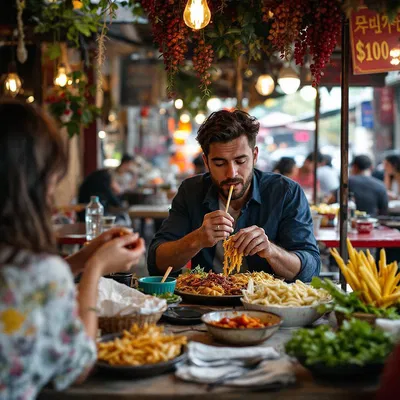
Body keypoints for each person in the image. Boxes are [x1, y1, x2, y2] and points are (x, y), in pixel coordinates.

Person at [0, 99, 146, 399]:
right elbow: (79, 365)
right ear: (31, 181)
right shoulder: (40, 272)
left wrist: (83, 258)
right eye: (53, 174)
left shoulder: (27, 268)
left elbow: (23, 291)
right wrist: (95, 270)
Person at [148, 110, 320, 282]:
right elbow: (157, 264)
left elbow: (311, 269)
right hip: (207, 300)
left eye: (240, 161)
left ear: (254, 156)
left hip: (267, 303)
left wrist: (270, 251)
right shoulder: (191, 191)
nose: (232, 173)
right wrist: (197, 239)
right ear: (206, 162)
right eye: (219, 163)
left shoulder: (285, 192)